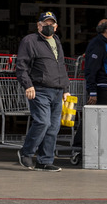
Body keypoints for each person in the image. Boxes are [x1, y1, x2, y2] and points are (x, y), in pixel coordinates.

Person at [15, 11, 69, 172]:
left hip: (57, 90)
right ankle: (26, 152)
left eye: (51, 24)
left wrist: (65, 89)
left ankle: (45, 161)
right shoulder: (30, 41)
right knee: (43, 122)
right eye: (45, 24)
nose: (49, 26)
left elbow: (61, 66)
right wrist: (28, 85)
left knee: (53, 128)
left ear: (56, 26)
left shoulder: (56, 40)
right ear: (38, 25)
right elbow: (21, 66)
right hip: (40, 90)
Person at [82, 19, 107, 107]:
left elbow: (103, 65)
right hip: (100, 88)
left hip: (105, 86)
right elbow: (91, 68)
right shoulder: (98, 45)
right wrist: (93, 92)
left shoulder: (105, 44)